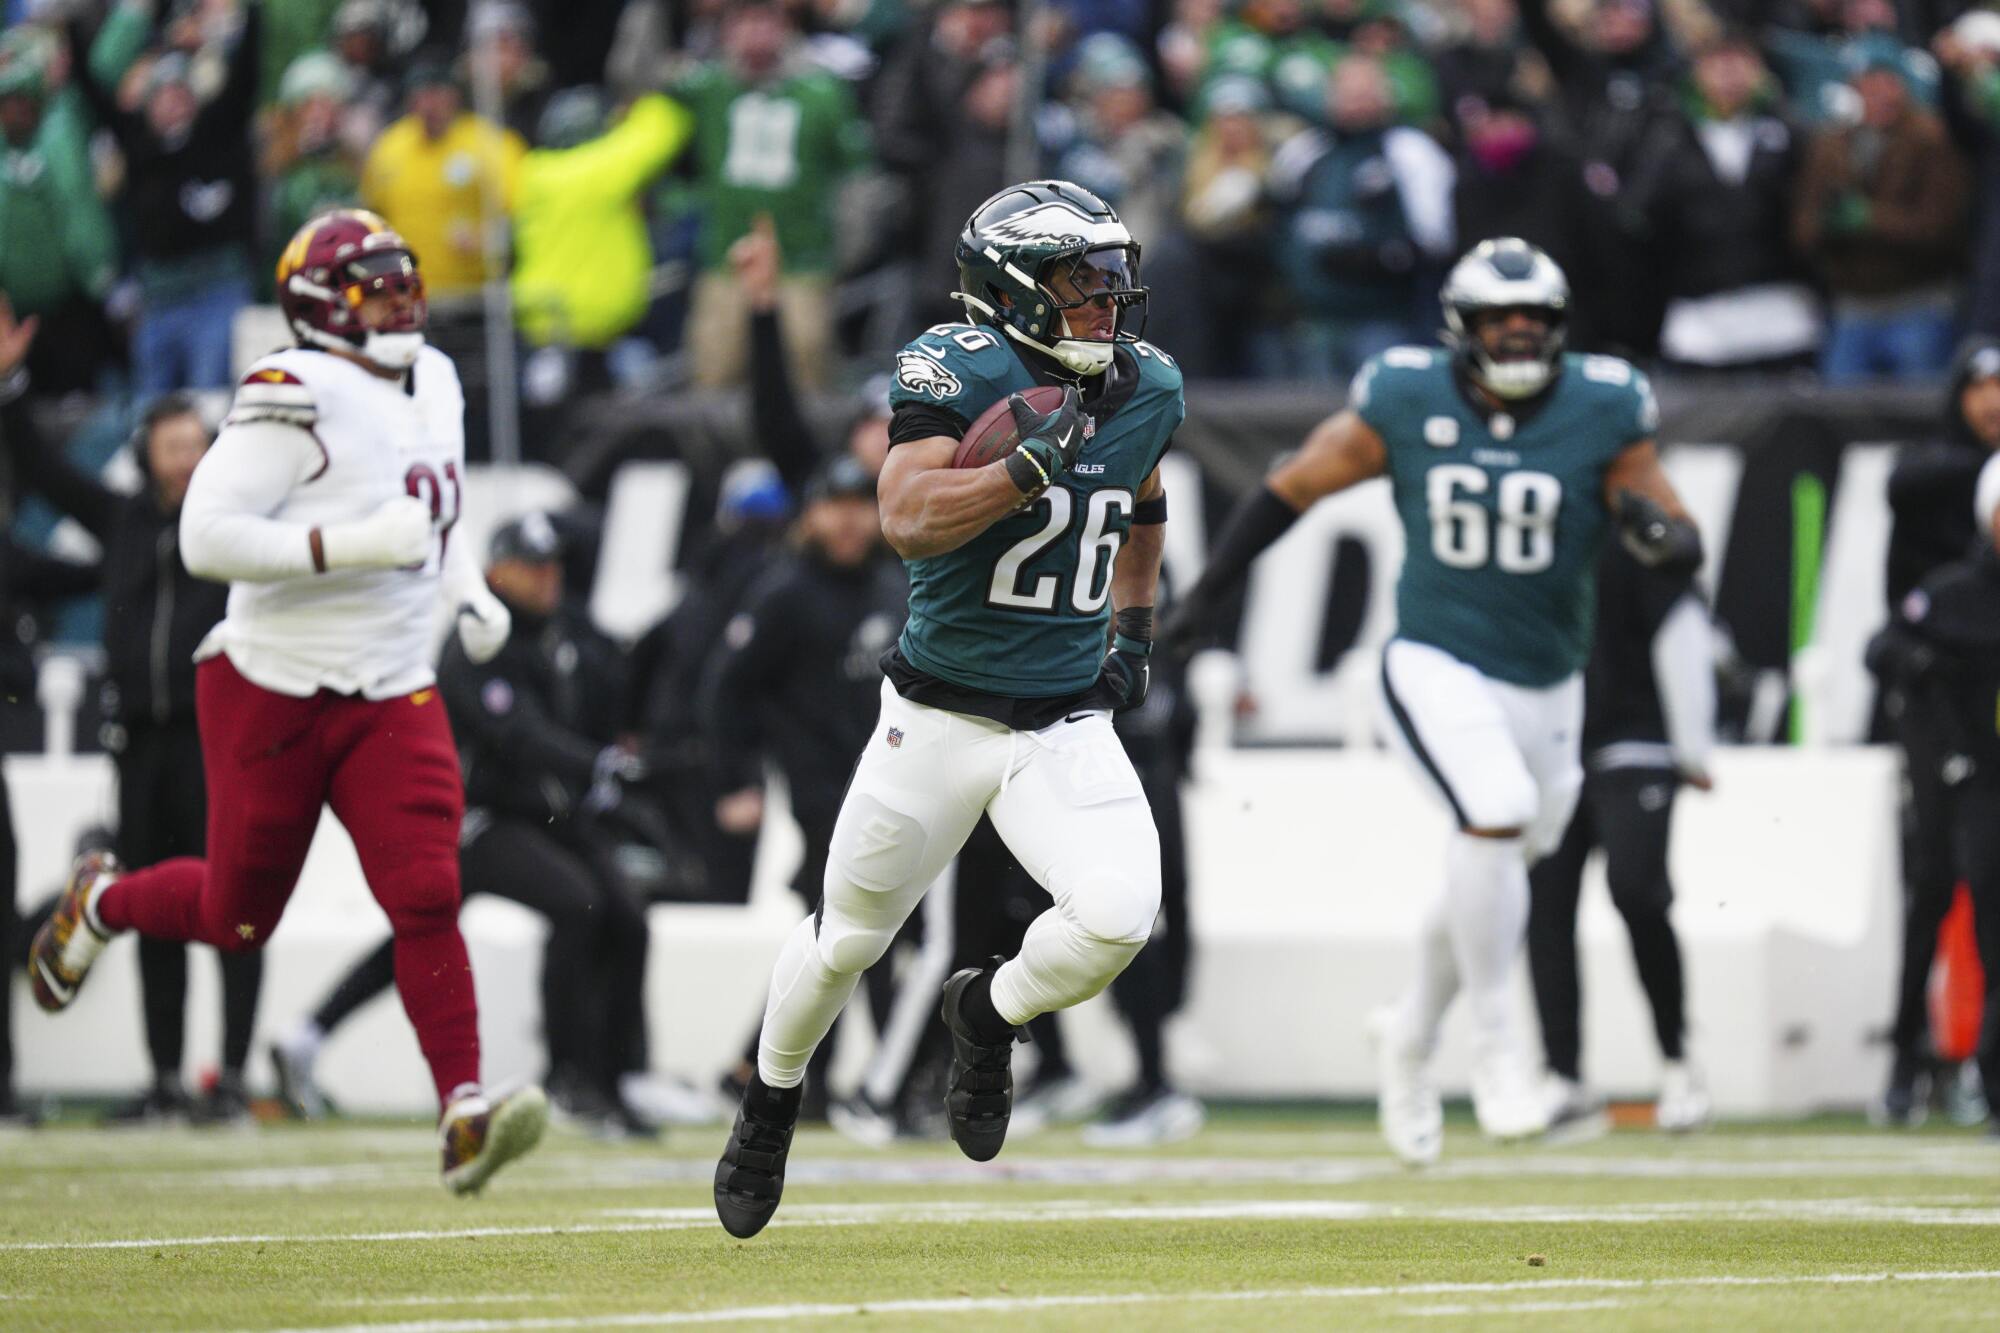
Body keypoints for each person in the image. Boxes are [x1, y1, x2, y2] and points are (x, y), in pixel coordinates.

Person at [27, 209, 545, 1193]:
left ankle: (462, 1111)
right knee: (238, 915)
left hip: (393, 687)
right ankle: (103, 901)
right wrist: (347, 547)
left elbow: (434, 509)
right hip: (273, 686)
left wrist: (465, 588)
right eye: (374, 286)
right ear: (320, 306)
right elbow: (206, 537)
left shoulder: (433, 375)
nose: (400, 299)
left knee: (429, 891)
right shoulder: (291, 388)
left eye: (404, 279)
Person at [1164, 237, 1700, 1165]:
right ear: (1464, 329)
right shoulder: (1406, 397)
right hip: (1435, 660)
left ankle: (1409, 1034)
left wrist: (1665, 535)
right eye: (1502, 321)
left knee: (1493, 858)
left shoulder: (1603, 405)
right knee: (1492, 816)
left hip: (1550, 681)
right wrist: (1210, 592)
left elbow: (1669, 525)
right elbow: (1293, 485)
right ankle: (1498, 1048)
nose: (1521, 335)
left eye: (1535, 320)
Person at [713, 179, 1181, 1237]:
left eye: (1111, 277)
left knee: (1115, 918)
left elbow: (1142, 494)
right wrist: (1022, 467)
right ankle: (771, 1100)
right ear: (1013, 289)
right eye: (1080, 280)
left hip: (1059, 719)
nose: (1107, 300)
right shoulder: (954, 366)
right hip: (935, 719)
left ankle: (984, 1011)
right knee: (846, 941)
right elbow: (906, 516)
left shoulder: (1148, 384)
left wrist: (1137, 628)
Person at [272, 513, 654, 1135]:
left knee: (624, 913)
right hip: (477, 818)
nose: (546, 579)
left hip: (542, 817)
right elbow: (519, 736)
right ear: (498, 572)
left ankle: (618, 1074)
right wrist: (598, 765)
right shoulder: (481, 636)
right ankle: (568, 1077)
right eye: (533, 567)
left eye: (552, 566)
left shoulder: (557, 633)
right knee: (572, 905)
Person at [702, 457, 908, 1125]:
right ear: (811, 515)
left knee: (840, 936)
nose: (849, 520)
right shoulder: (784, 593)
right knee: (862, 933)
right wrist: (737, 778)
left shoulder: (892, 585)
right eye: (835, 505)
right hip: (823, 792)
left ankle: (779, 1076)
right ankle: (890, 1084)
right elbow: (725, 689)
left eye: (860, 504)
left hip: (895, 789)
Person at [98, 396, 263, 1125]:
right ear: (146, 455)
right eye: (173, 445)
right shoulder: (125, 524)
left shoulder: (239, 522)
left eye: (198, 443)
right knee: (155, 908)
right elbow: (45, 473)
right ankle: (164, 1075)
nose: (188, 458)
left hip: (215, 742)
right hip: (141, 746)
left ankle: (230, 1074)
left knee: (235, 904)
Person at [1528, 541, 1716, 1137]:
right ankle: (1563, 1076)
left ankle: (1678, 1058)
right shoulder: (1531, 535)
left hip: (1635, 739)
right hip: (1550, 745)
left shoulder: (1639, 538)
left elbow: (1680, 626)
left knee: (1637, 892)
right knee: (1545, 908)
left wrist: (1693, 745)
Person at [1871, 337, 2000, 1125]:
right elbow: (1888, 638)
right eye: (1982, 387)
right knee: (1931, 885)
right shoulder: (1938, 496)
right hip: (1942, 728)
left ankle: (1984, 1063)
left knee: (1991, 895)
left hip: (1990, 747)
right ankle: (1906, 1056)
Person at [69, 2, 262, 395]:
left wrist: (252, 14)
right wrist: (72, 29)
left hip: (217, 288)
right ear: (148, 106)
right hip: (159, 297)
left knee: (209, 399)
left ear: (195, 99)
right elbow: (93, 96)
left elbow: (246, 75)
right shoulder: (140, 150)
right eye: (162, 95)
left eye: (180, 92)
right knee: (150, 409)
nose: (172, 102)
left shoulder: (219, 135)